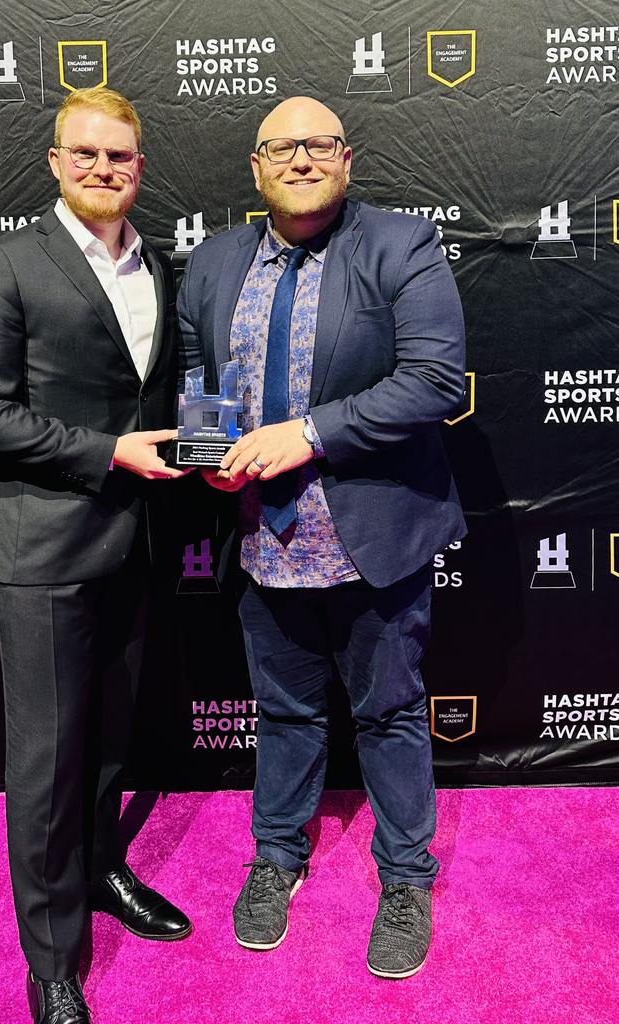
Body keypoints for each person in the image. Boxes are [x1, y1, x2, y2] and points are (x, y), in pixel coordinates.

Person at [177, 96, 466, 979]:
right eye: (281, 147)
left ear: (347, 159)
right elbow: (199, 376)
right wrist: (205, 455)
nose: (301, 158)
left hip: (373, 537)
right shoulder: (214, 262)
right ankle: (277, 859)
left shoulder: (401, 245)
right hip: (266, 541)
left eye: (319, 144)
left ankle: (407, 878)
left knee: (388, 712)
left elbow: (435, 380)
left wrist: (306, 432)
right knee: (285, 712)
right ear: (255, 168)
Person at [0, 87, 191, 1024]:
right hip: (44, 553)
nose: (103, 170)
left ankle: (98, 873)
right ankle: (51, 960)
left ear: (140, 166)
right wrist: (107, 455)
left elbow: (155, 399)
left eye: (120, 157)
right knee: (47, 763)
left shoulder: (158, 265)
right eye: (86, 154)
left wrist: (195, 452)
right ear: (55, 161)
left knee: (109, 745)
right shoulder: (9, 263)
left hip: (136, 543)